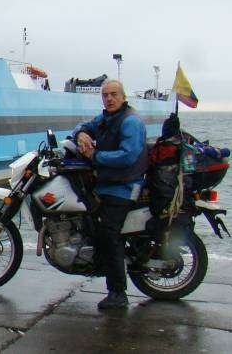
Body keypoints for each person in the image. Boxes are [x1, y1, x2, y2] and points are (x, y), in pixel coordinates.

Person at [71, 79, 148, 310]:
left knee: (108, 232)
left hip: (123, 187)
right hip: (107, 185)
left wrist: (95, 156)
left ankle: (118, 293)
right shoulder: (107, 117)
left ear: (123, 97)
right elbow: (85, 125)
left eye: (114, 94)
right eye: (105, 95)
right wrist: (81, 134)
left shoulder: (130, 121)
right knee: (89, 223)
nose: (109, 99)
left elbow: (127, 156)